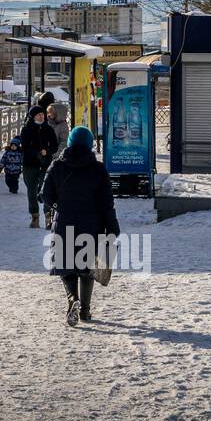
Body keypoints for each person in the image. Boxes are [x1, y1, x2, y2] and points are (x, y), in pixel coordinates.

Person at [41, 126, 121, 327]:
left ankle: (71, 299)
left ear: (69, 142)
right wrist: (112, 228)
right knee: (87, 268)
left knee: (66, 266)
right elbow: (106, 203)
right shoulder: (98, 169)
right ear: (89, 144)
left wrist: (60, 205)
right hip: (91, 224)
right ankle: (85, 310)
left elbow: (45, 195)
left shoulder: (57, 166)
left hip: (64, 222)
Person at [18, 105, 59, 229]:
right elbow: (24, 147)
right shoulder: (26, 130)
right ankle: (35, 216)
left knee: (46, 189)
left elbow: (54, 146)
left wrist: (47, 151)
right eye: (38, 115)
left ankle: (48, 216)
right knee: (31, 190)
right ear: (33, 116)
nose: (42, 116)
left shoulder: (49, 129)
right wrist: (35, 153)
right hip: (30, 164)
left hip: (45, 164)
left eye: (43, 114)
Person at [37, 90, 71, 161]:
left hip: (55, 156)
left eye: (50, 113)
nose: (48, 115)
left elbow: (63, 142)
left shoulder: (62, 125)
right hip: (47, 154)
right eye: (47, 113)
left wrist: (56, 154)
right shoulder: (49, 122)